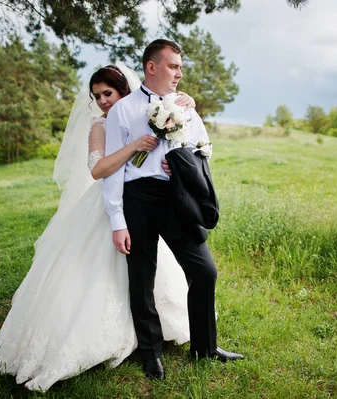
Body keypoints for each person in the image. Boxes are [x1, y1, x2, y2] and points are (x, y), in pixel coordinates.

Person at [0, 64, 195, 392]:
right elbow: (98, 169)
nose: (102, 101)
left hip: (147, 203)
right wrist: (132, 148)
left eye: (107, 93)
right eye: (97, 96)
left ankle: (155, 335)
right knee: (94, 272)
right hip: (105, 206)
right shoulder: (99, 126)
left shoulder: (143, 112)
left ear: (124, 89)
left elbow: (172, 110)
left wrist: (185, 102)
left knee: (150, 270)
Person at [103, 39, 244, 381]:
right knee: (142, 278)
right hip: (137, 197)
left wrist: (184, 163)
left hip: (176, 198)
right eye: (173, 66)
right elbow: (112, 171)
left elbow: (205, 149)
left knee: (204, 270)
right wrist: (117, 220)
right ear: (151, 67)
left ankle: (206, 348)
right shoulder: (122, 110)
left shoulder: (186, 107)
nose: (180, 73)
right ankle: (150, 354)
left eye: (181, 67)